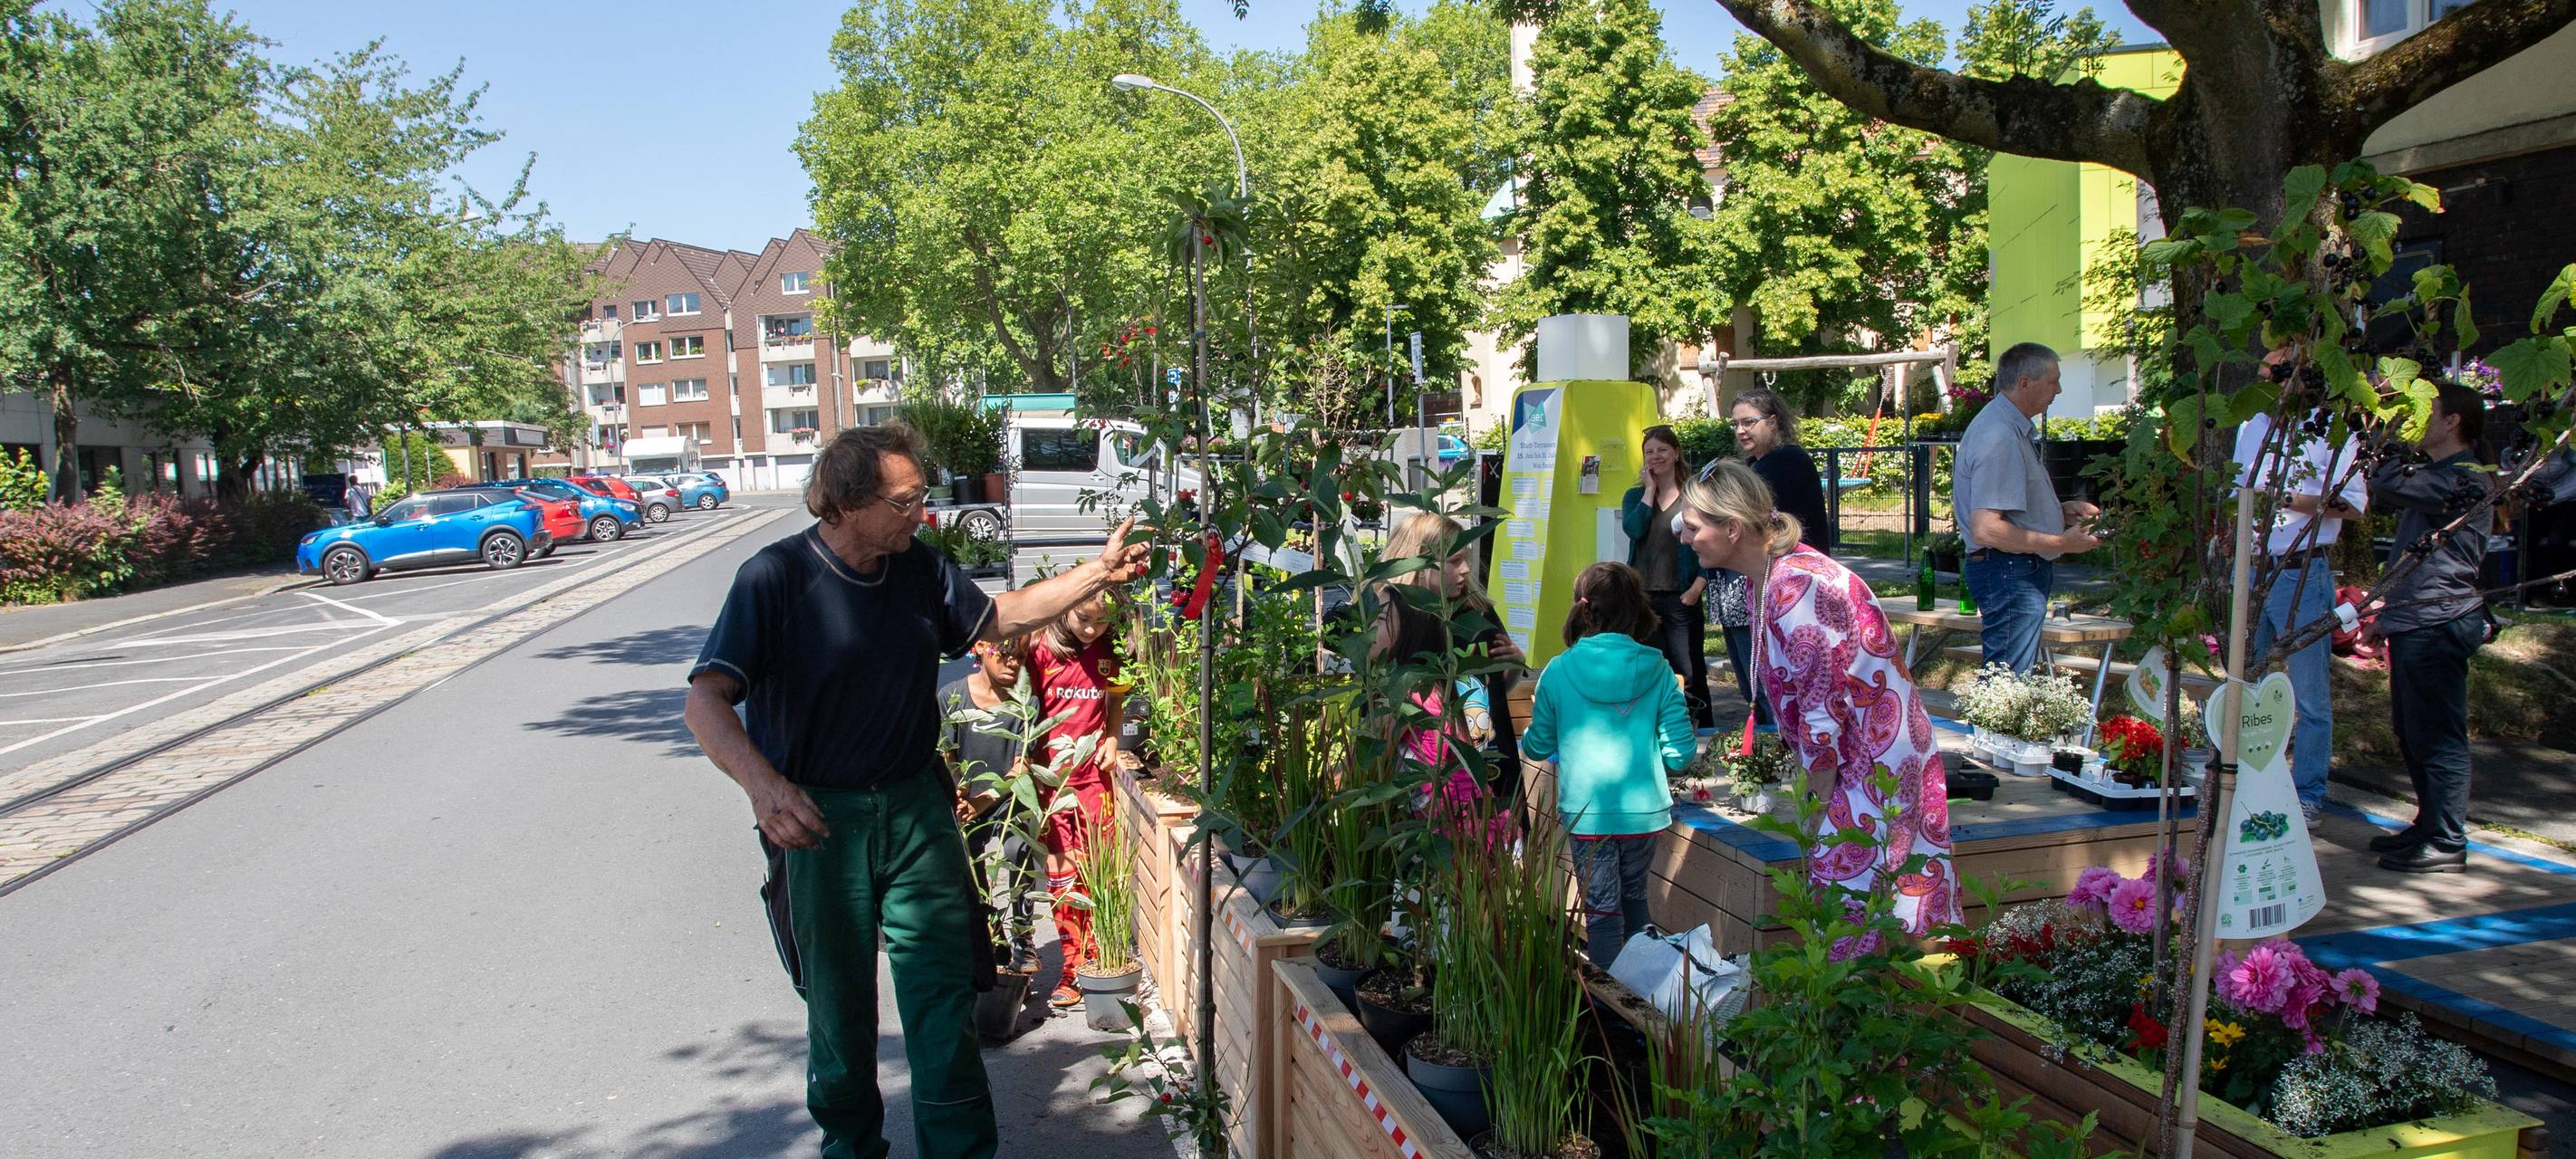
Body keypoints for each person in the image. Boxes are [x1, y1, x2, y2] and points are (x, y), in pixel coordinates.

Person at [683, 423, 1149, 1159]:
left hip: (914, 811)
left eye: (920, 497)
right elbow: (706, 701)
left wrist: (1096, 573)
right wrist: (764, 788)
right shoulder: (772, 579)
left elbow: (998, 618)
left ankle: (960, 1150)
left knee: (941, 999)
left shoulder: (920, 570)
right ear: (843, 503)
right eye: (904, 501)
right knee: (838, 1008)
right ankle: (851, 1146)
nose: (920, 514)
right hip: (818, 822)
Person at [1679, 461, 1959, 949]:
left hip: (1871, 762)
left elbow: (1820, 712)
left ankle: (1880, 1007)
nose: (1684, 537)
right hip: (1871, 752)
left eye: (1693, 526)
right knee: (1878, 906)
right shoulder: (1768, 574)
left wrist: (1816, 802)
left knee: (1857, 913)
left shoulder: (1794, 586)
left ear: (1732, 528)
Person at [1519, 562, 1692, 964]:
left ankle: (1609, 1017)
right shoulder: (1659, 668)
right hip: (1644, 814)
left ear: (1584, 608)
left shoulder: (1558, 670)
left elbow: (1538, 746)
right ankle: (1642, 1002)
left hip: (1588, 816)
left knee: (1599, 915)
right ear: (1636, 608)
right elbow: (1680, 755)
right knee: (1635, 904)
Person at [2235, 350, 2370, 826]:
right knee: (2243, 680)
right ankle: (2244, 781)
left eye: (2273, 375)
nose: (2265, 383)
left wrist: (2291, 499)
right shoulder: (2252, 424)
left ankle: (2309, 793)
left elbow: (2354, 506)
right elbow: (2238, 491)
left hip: (2301, 569)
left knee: (2310, 693)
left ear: (2302, 378)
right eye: (2261, 374)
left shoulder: (2333, 430)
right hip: (2250, 567)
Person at [2364, 384, 2492, 874]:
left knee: (2438, 735)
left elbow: (2383, 479)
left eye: (2426, 411)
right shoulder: (2442, 475)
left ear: (2453, 421)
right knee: (2413, 731)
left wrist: (2386, 428)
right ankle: (2430, 823)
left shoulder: (2464, 481)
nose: (2418, 419)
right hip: (2417, 617)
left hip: (2439, 619)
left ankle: (2446, 841)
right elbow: (2410, 557)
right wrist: (2384, 614)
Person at [1951, 342, 2102, 675]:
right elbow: (1987, 528)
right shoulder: (1999, 434)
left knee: (2009, 686)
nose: (2058, 390)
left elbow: (2003, 510)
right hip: (2008, 570)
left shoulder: (2004, 426)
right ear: (2024, 383)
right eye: (2053, 381)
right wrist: (2063, 543)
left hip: (2010, 570)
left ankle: (2000, 730)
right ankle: (1996, 732)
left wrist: (2058, 511)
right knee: (2007, 687)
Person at [1024, 587, 1127, 1009]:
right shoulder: (1041, 650)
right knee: (1063, 875)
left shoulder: (1111, 648)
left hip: (1093, 782)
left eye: (1100, 621)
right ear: (1065, 608)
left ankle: (1102, 957)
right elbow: (1023, 708)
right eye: (1083, 618)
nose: (1090, 629)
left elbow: (1115, 697)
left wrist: (1114, 737)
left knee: (1098, 869)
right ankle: (1071, 966)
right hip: (1053, 783)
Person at [1382, 511, 1528, 800]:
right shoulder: (1401, 617)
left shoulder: (1478, 610)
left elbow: (1497, 686)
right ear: (1421, 563)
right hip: (1433, 770)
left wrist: (1515, 663)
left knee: (1501, 835)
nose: (1464, 571)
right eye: (1454, 561)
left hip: (1493, 759)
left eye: (1466, 560)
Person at [940, 637, 1041, 982]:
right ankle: (992, 934)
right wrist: (961, 793)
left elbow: (1021, 768)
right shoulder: (952, 696)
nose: (1013, 663)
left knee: (1019, 848)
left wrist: (984, 800)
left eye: (1020, 657)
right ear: (982, 648)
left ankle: (1023, 936)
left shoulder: (1025, 704)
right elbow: (947, 754)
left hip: (1007, 800)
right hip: (966, 802)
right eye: (1005, 654)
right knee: (969, 863)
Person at [1621, 425, 1715, 730]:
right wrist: (1649, 490)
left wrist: (1697, 587)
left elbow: (1710, 540)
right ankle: (1660, 729)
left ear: (1676, 453)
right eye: (1649, 451)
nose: (1656, 456)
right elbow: (1634, 530)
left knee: (1688, 670)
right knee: (1650, 669)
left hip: (1681, 595)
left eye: (1662, 449)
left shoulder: (1695, 493)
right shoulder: (1635, 495)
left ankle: (1701, 730)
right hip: (1643, 599)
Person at [1728, 388, 1829, 552]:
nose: (1740, 431)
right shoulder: (1757, 462)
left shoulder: (1785, 460)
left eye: (1748, 422)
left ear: (1772, 422)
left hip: (1797, 566)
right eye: (1735, 424)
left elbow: (1741, 513)